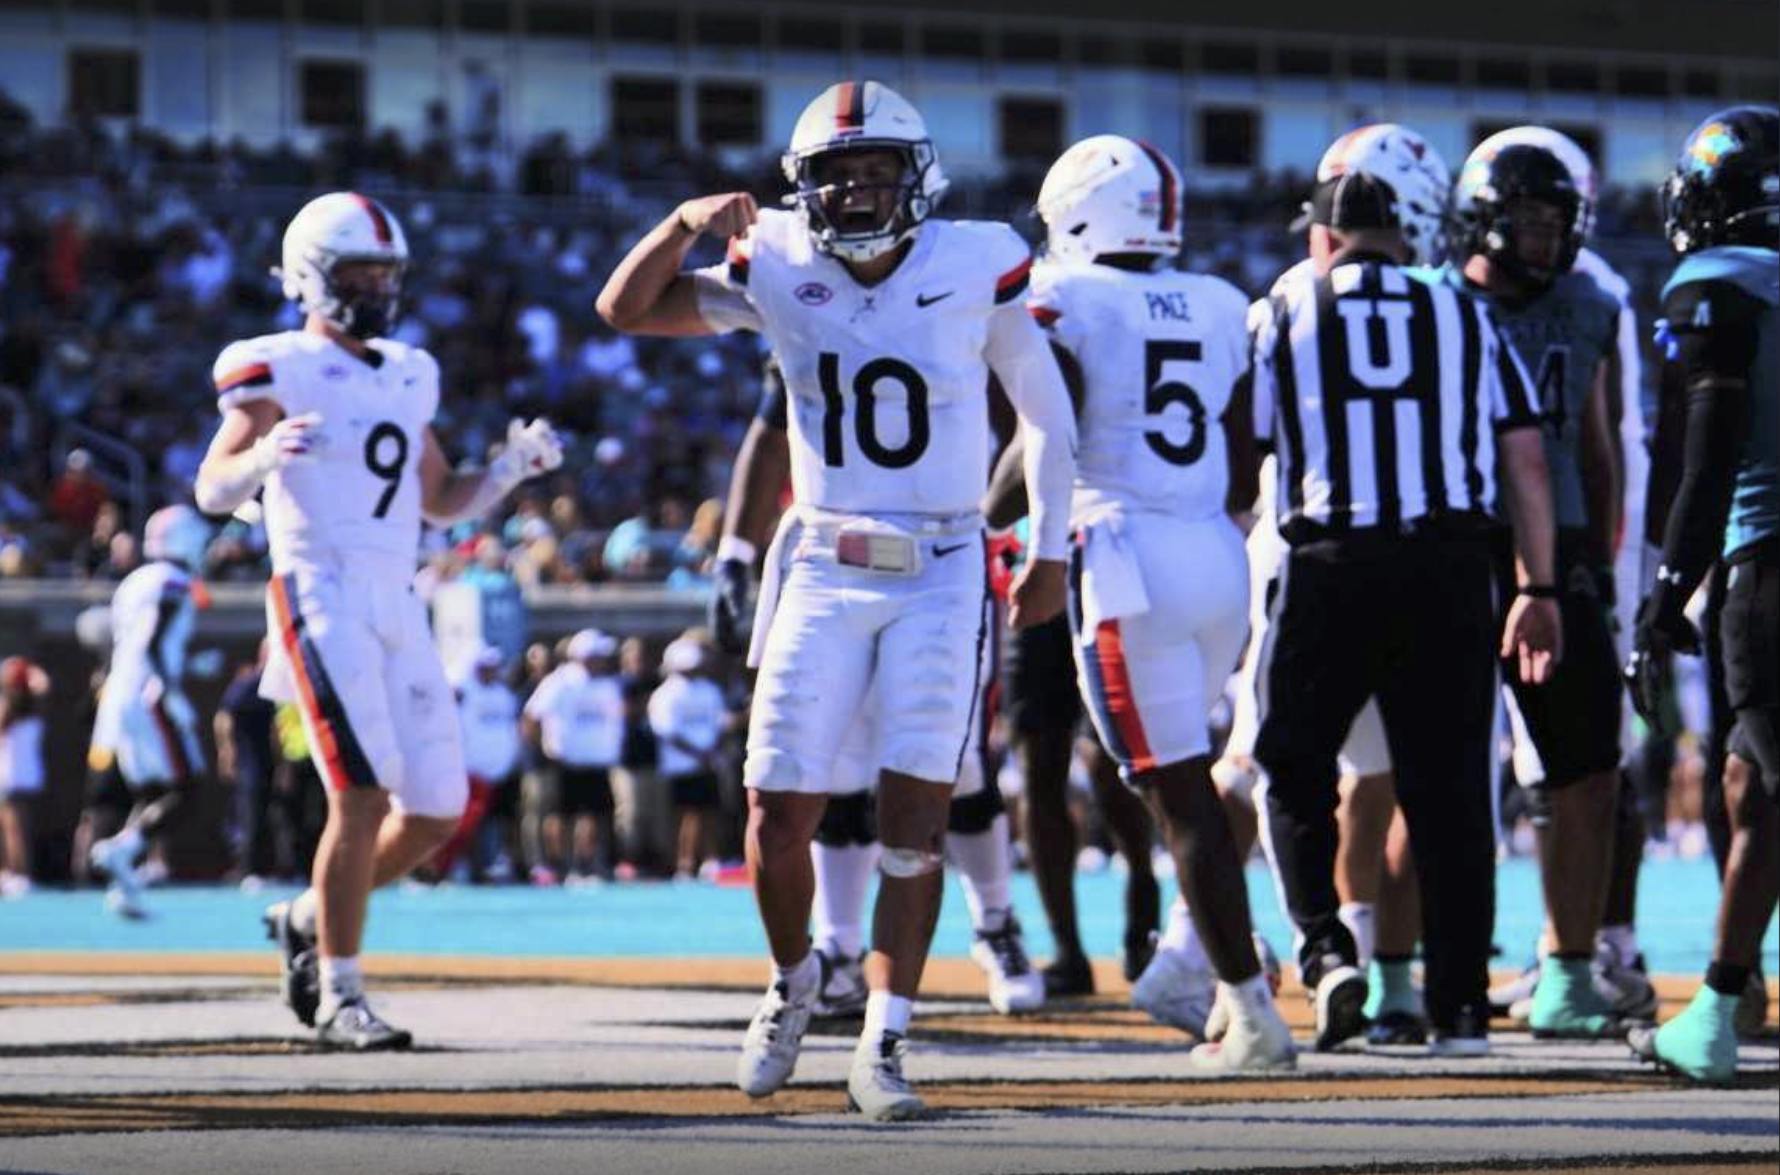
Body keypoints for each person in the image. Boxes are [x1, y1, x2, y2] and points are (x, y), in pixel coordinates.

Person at [600, 80, 1076, 1120]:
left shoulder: (973, 258)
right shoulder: (775, 258)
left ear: (916, 175)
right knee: (774, 805)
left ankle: (887, 1036)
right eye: (836, 173)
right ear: (802, 187)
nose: (857, 190)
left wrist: (1049, 549)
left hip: (945, 561)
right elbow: (625, 308)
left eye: (875, 170)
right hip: (818, 557)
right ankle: (790, 982)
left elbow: (1045, 414)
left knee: (917, 811)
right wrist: (683, 219)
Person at [194, 191, 562, 1050]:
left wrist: (507, 471)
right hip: (318, 588)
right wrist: (258, 456)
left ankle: (305, 918)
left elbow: (438, 499)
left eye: (382, 273)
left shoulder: (407, 368)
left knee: (434, 809)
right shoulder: (272, 362)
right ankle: (339, 993)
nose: (372, 287)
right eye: (356, 271)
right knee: (357, 794)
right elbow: (212, 487)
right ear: (308, 276)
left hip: (401, 592)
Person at [1248, 124, 1561, 1057]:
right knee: (1451, 795)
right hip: (1450, 566)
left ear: (1327, 234)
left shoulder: (1286, 305)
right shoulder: (1462, 310)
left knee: (1293, 768)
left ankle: (1326, 946)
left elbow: (1246, 446)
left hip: (1333, 560)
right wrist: (1536, 582)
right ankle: (1460, 1008)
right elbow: (1526, 460)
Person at [985, 134, 1291, 1069]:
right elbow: (1245, 453)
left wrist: (983, 515)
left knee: (1178, 793)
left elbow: (1050, 433)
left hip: (1123, 553)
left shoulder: (1066, 296)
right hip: (1214, 549)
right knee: (1178, 779)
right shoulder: (1219, 300)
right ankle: (1206, 959)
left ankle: (1244, 1003)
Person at [712, 356, 1047, 1020]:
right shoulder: (810, 293)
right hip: (832, 561)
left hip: (939, 560)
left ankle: (996, 921)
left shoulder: (959, 287)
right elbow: (771, 424)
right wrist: (734, 550)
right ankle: (838, 946)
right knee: (836, 767)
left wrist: (991, 522)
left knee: (960, 761)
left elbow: (1030, 420)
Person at [1442, 138, 1628, 1038]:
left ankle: (1568, 967)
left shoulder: (1590, 305)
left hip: (1566, 554)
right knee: (1428, 769)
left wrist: (1602, 553)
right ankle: (1411, 963)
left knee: (1589, 767)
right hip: (1459, 544)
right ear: (1484, 217)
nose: (1548, 241)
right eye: (1529, 222)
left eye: (1558, 224)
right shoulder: (1436, 304)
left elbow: (1600, 437)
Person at [1627, 106, 1778, 1083]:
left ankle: (1722, 1007)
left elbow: (1710, 455)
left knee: (1762, 772)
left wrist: (1668, 585)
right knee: (1746, 781)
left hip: (1767, 556)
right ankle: (1720, 1005)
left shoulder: (1717, 285)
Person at [85, 505, 213, 918]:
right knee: (188, 787)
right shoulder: (174, 582)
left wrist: (190, 665)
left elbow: (134, 642)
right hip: (150, 693)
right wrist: (171, 690)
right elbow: (154, 641)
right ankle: (122, 850)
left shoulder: (134, 581)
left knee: (152, 791)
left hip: (122, 692)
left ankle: (124, 885)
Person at [522, 628, 625, 881]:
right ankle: (562, 864)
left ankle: (588, 863)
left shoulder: (606, 683)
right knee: (561, 816)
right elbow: (531, 718)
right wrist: (545, 751)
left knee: (596, 815)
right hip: (566, 762)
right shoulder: (560, 682)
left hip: (597, 762)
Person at [434, 645, 523, 882]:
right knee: (462, 825)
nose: (490, 671)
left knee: (492, 824)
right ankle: (448, 867)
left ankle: (484, 865)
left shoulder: (502, 693)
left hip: (497, 774)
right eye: (485, 667)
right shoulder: (461, 689)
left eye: (493, 667)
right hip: (468, 774)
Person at [648, 634, 728, 880]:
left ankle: (710, 861)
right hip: (680, 766)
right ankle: (684, 863)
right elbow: (666, 731)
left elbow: (719, 724)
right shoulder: (665, 694)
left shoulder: (710, 690)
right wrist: (698, 754)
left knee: (711, 812)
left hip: (708, 763)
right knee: (685, 815)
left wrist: (711, 751)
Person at [217, 641, 279, 886]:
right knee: (248, 813)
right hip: (247, 760)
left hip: (267, 760)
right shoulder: (248, 683)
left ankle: (262, 869)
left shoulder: (278, 686)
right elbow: (223, 718)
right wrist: (226, 752)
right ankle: (247, 870)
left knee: (265, 813)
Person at [0, 655, 47, 898]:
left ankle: (21, 874)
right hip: (22, 775)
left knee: (15, 829)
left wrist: (24, 672)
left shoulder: (11, 706)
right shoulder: (32, 706)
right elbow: (43, 684)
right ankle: (11, 872)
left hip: (13, 776)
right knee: (12, 828)